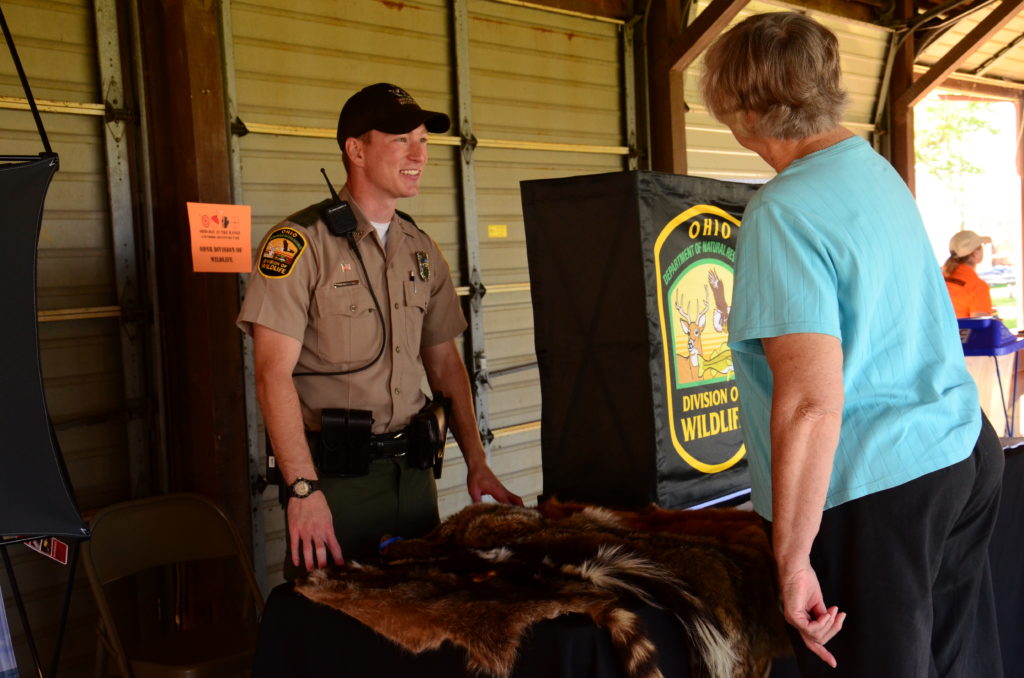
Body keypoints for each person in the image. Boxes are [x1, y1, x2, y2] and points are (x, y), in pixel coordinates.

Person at [700, 12, 1004, 677]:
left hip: (878, 483)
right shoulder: (871, 169)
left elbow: (811, 400)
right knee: (957, 662)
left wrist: (793, 557)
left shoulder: (783, 210)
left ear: (744, 106)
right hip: (959, 449)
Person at [237, 83, 522, 580]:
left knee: (420, 621)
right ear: (356, 150)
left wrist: (477, 461)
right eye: (400, 140)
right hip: (337, 484)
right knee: (336, 631)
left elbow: (445, 364)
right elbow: (270, 375)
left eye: (423, 141)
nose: (419, 155)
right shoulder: (299, 245)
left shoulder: (420, 247)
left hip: (412, 478)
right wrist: (304, 491)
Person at [943, 229, 995, 317]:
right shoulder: (978, 287)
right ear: (975, 253)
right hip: (959, 330)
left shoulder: (939, 278)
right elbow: (979, 326)